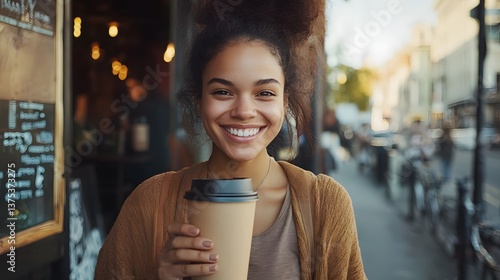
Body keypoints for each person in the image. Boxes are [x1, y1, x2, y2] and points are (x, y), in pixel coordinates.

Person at [95, 1, 366, 279]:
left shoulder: (326, 205)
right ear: (199, 100)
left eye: (265, 93)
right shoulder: (148, 205)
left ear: (285, 102)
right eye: (223, 92)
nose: (244, 112)